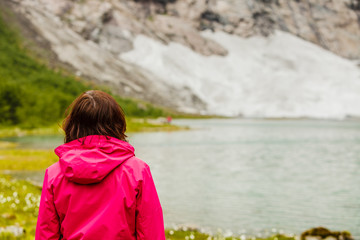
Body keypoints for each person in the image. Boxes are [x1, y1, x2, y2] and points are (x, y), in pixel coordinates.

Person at [35, 90, 165, 240]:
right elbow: (151, 233)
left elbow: (46, 234)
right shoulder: (138, 171)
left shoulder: (54, 174)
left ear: (73, 125)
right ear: (117, 124)